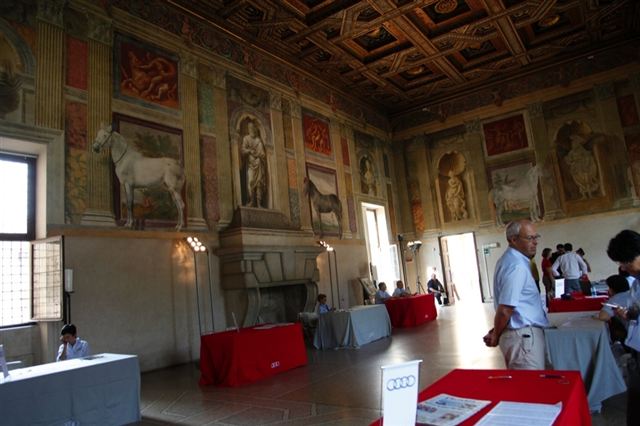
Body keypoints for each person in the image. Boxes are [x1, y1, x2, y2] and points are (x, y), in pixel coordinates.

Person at [483, 219, 549, 370]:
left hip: (524, 335)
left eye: (536, 237)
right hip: (522, 338)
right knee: (529, 383)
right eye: (530, 238)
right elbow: (505, 309)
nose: (535, 242)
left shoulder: (513, 260)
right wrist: (496, 335)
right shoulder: (516, 265)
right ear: (513, 239)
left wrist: (496, 330)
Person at [606, 230, 640, 425]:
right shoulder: (635, 284)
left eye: (626, 262)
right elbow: (636, 311)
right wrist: (628, 314)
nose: (623, 267)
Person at [597, 275, 632, 342]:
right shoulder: (632, 294)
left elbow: (603, 316)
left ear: (611, 288)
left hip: (631, 335)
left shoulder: (616, 298)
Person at [241, 120, 267, 208]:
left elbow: (262, 153)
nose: (252, 129)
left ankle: (259, 203)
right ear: (248, 129)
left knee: (259, 183)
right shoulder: (246, 138)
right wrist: (249, 151)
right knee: (250, 181)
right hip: (250, 164)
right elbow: (243, 150)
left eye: (253, 128)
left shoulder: (258, 140)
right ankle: (251, 201)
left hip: (258, 164)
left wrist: (258, 154)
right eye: (250, 128)